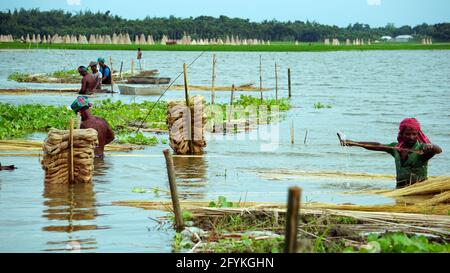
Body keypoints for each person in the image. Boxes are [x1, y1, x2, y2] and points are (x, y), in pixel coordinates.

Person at [342, 118, 442, 188]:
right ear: (401, 134)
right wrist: (353, 143)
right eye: (407, 134)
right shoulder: (395, 148)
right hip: (400, 187)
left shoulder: (422, 150)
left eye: (414, 134)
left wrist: (430, 146)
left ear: (417, 134)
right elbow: (377, 146)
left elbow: (438, 150)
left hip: (419, 189)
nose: (411, 137)